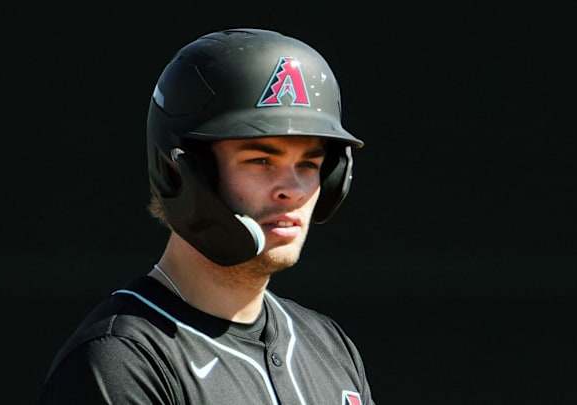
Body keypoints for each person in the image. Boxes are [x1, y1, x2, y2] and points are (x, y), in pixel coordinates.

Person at [38, 28, 375, 404]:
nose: (293, 189)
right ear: (181, 174)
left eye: (309, 164)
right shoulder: (122, 360)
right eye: (260, 160)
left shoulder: (327, 346)